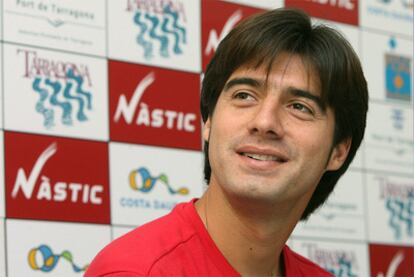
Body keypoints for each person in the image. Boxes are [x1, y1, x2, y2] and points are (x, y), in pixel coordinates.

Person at [86, 8, 368, 277]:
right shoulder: (136, 271)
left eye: (299, 106)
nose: (265, 122)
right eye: (244, 95)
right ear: (208, 121)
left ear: (339, 150)